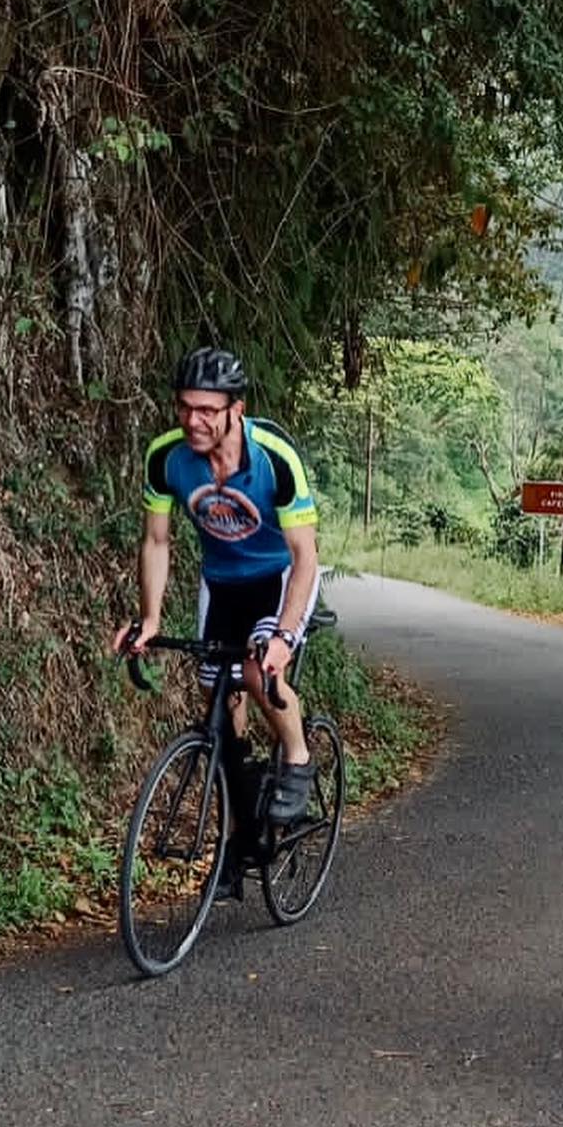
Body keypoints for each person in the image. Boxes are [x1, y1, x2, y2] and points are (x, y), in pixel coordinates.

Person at [115, 345, 321, 839]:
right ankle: (241, 812)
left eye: (207, 410)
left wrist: (284, 637)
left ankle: (298, 758)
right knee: (215, 692)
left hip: (280, 577)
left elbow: (305, 556)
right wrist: (150, 618)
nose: (193, 420)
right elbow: (156, 540)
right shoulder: (166, 456)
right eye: (185, 407)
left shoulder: (274, 458)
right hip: (221, 580)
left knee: (256, 671)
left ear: (236, 410)